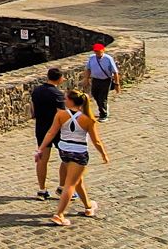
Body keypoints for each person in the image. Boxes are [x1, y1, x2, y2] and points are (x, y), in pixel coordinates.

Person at [35, 89, 110, 226]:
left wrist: (41, 148)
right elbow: (96, 140)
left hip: (64, 151)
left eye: (66, 99)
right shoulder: (88, 118)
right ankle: (59, 214)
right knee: (70, 184)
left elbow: (51, 133)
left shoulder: (61, 115)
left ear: (71, 101)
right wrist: (103, 154)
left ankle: (88, 206)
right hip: (78, 152)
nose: (64, 101)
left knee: (77, 180)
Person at [31, 67, 67, 199]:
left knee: (42, 159)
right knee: (65, 158)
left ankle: (42, 189)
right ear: (59, 79)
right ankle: (62, 187)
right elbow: (61, 114)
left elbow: (32, 110)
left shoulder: (37, 91)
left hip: (41, 128)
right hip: (56, 130)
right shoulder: (57, 94)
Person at [86, 43, 120, 121]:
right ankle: (104, 107)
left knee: (102, 97)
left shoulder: (108, 59)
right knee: (95, 95)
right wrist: (86, 79)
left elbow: (115, 72)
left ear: (103, 50)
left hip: (105, 80)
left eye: (99, 51)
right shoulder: (92, 58)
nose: (97, 53)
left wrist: (117, 84)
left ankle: (103, 114)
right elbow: (88, 69)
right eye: (96, 51)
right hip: (95, 80)